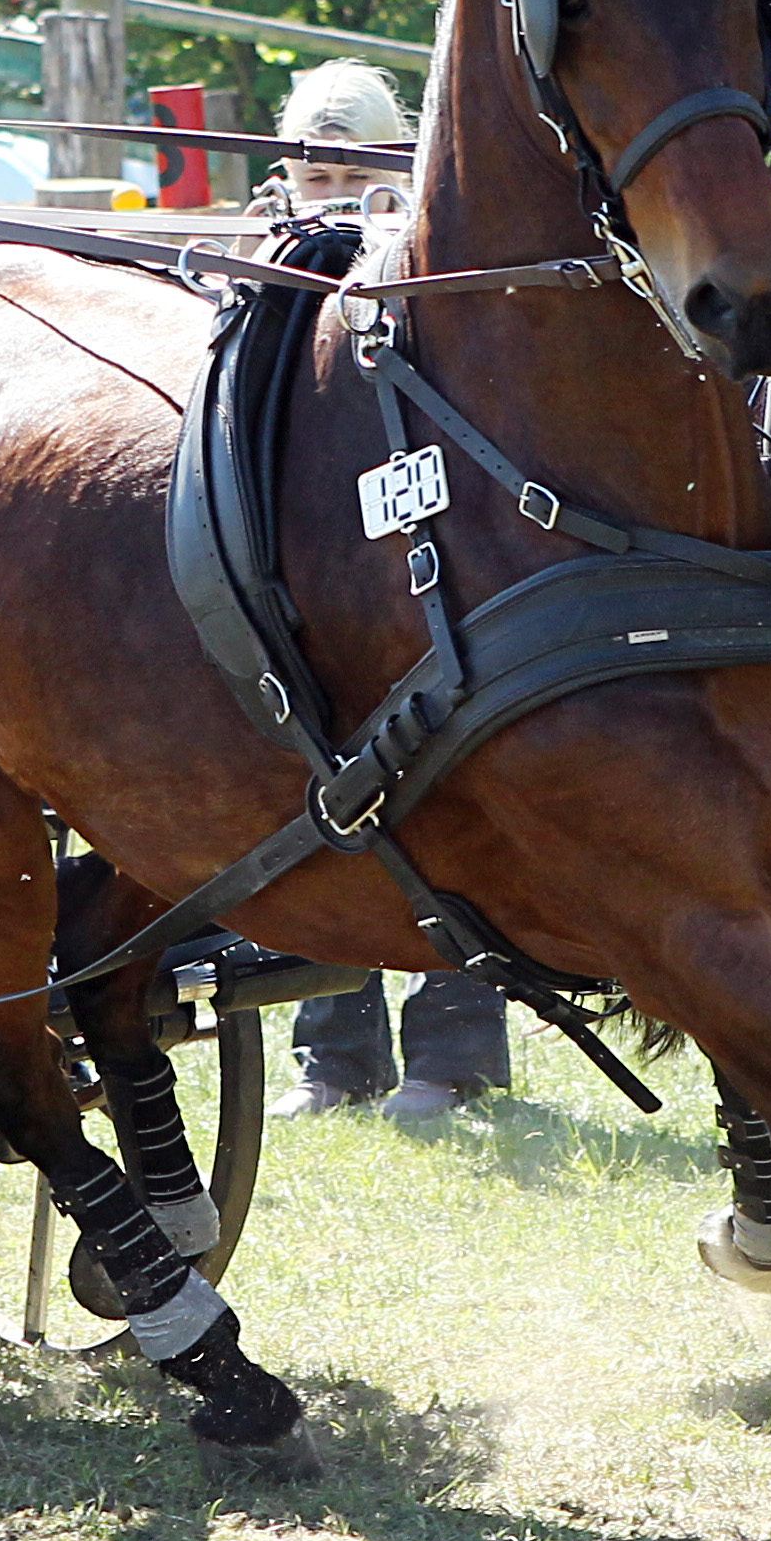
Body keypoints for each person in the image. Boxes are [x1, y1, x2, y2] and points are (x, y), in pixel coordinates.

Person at [258, 60, 516, 1122]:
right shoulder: (259, 254)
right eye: (313, 160)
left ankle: (454, 1058)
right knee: (318, 791)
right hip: (309, 567)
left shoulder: (425, 256)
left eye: (350, 159)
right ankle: (335, 1056)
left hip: (418, 565)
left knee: (441, 794)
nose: (327, 180)